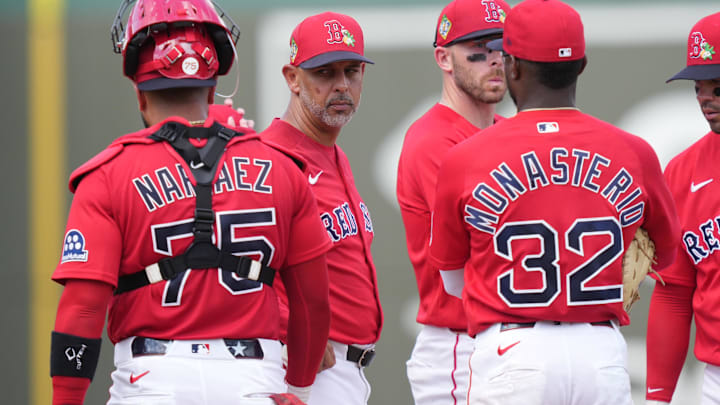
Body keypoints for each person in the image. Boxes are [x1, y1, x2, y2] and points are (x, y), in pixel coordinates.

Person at [49, 0, 331, 404]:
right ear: (213, 86)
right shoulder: (283, 168)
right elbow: (313, 303)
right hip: (253, 379)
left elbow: (82, 309)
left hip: (150, 380)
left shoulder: (108, 173)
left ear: (138, 89)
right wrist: (299, 388)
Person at [428, 0, 681, 404]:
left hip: (513, 351)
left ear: (512, 66)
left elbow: (452, 281)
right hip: (600, 352)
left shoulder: (466, 158)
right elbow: (666, 258)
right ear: (581, 65)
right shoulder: (635, 152)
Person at [259, 11, 382, 405]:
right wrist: (293, 326)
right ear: (293, 78)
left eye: (351, 71)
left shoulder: (332, 154)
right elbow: (237, 263)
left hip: (347, 370)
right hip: (305, 370)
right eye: (325, 73)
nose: (342, 85)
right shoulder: (272, 159)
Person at [395, 0, 509, 403]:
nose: (495, 60)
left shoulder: (509, 132)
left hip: (506, 340)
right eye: (478, 49)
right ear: (443, 58)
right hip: (459, 345)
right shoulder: (432, 140)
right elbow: (488, 238)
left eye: (502, 47)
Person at [645, 12, 720, 405]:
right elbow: (674, 292)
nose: (705, 99)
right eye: (698, 87)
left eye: (718, 87)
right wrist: (658, 398)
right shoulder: (683, 171)